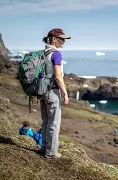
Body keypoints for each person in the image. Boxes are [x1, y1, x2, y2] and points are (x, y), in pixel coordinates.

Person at [38, 28, 70, 159]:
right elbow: (58, 76)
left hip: (42, 90)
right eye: (62, 38)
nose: (64, 41)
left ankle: (44, 147)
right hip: (52, 91)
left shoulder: (43, 52)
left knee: (46, 121)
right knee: (54, 123)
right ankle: (51, 153)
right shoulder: (56, 54)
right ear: (54, 39)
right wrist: (65, 93)